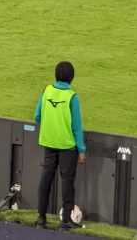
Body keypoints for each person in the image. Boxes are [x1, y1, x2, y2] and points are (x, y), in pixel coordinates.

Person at [34, 60, 85, 230]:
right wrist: (82, 150)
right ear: (71, 78)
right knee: (67, 182)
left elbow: (37, 116)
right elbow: (77, 127)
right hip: (67, 146)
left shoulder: (46, 90)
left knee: (46, 178)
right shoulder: (72, 97)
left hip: (49, 142)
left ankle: (41, 218)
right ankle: (66, 220)